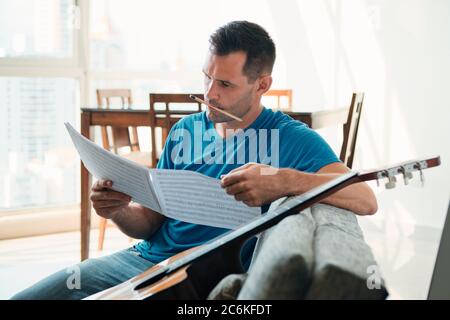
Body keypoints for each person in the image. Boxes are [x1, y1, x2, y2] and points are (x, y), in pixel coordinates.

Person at [11, 21, 377, 300]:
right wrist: (118, 210)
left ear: (262, 85)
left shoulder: (290, 137)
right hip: (143, 258)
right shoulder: (185, 130)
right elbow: (152, 224)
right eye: (206, 78)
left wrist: (284, 181)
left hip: (192, 276)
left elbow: (365, 198)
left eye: (226, 85)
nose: (209, 94)